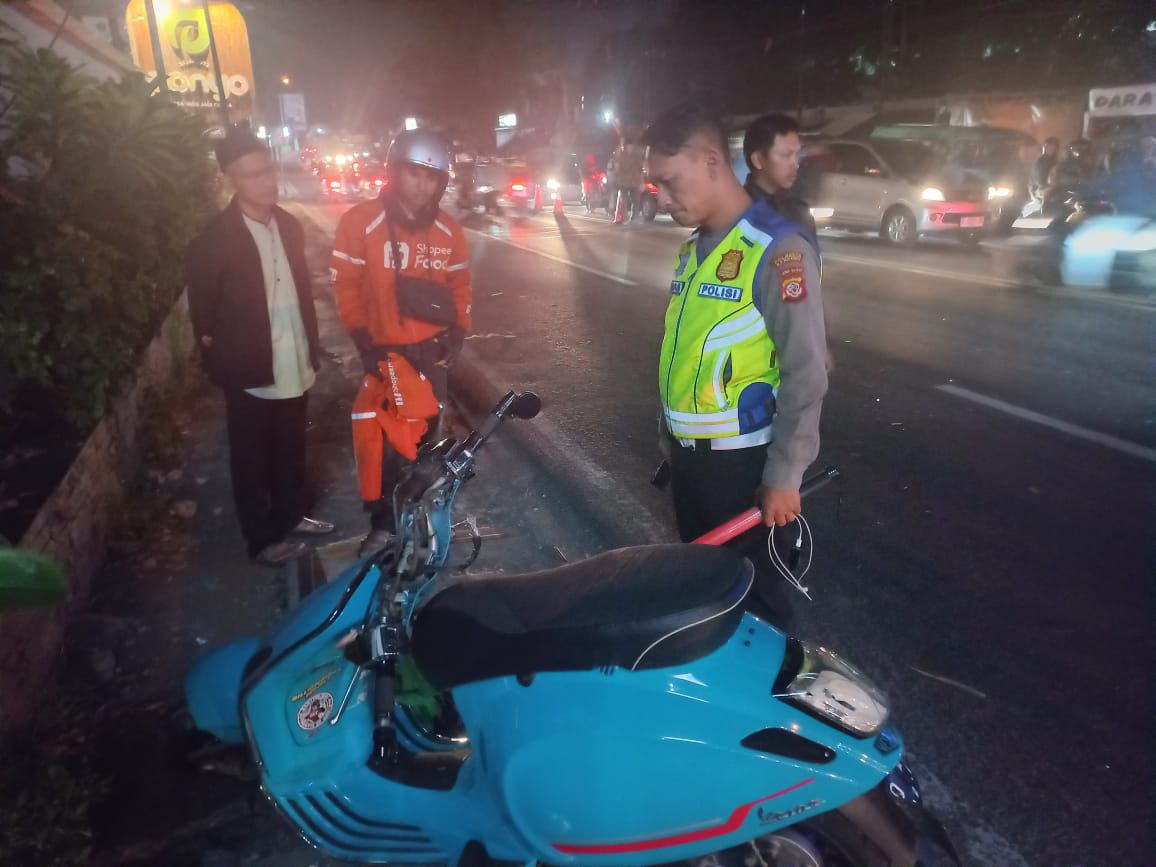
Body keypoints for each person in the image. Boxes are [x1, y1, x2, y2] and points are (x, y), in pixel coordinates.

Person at [643, 104, 828, 626]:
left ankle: (779, 707)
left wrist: (786, 474)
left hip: (746, 470)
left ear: (709, 162)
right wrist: (671, 441)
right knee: (707, 603)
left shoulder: (778, 250)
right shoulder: (694, 252)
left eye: (668, 181)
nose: (661, 196)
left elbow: (806, 369)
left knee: (762, 613)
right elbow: (685, 351)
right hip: (692, 465)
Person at [185, 126, 335, 567]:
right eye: (250, 175)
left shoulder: (288, 226)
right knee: (251, 456)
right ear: (232, 179)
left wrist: (312, 344)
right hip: (248, 364)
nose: (264, 181)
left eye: (266, 169)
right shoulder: (213, 240)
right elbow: (204, 312)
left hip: (293, 356)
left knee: (291, 446)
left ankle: (292, 515)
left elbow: (303, 289)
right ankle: (262, 539)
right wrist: (219, 360)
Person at [330, 129, 472, 555]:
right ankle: (385, 524)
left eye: (432, 177)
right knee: (388, 440)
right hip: (385, 352)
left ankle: (418, 512)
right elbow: (347, 287)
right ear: (395, 172)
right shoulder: (360, 222)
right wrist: (361, 340)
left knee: (430, 438)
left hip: (430, 354)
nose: (422, 185)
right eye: (414, 173)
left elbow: (460, 286)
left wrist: (459, 332)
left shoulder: (449, 231)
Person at [741, 113, 817, 244]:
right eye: (786, 155)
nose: (796, 163)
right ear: (758, 160)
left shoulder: (799, 213)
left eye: (797, 154)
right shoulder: (737, 212)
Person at [1028, 137, 1060, 208]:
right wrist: (1046, 187)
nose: (1051, 149)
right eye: (1049, 147)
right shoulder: (1040, 161)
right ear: (1045, 148)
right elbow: (1038, 179)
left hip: (1053, 188)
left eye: (1053, 147)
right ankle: (1045, 208)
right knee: (1047, 192)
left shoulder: (1056, 161)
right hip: (1038, 190)